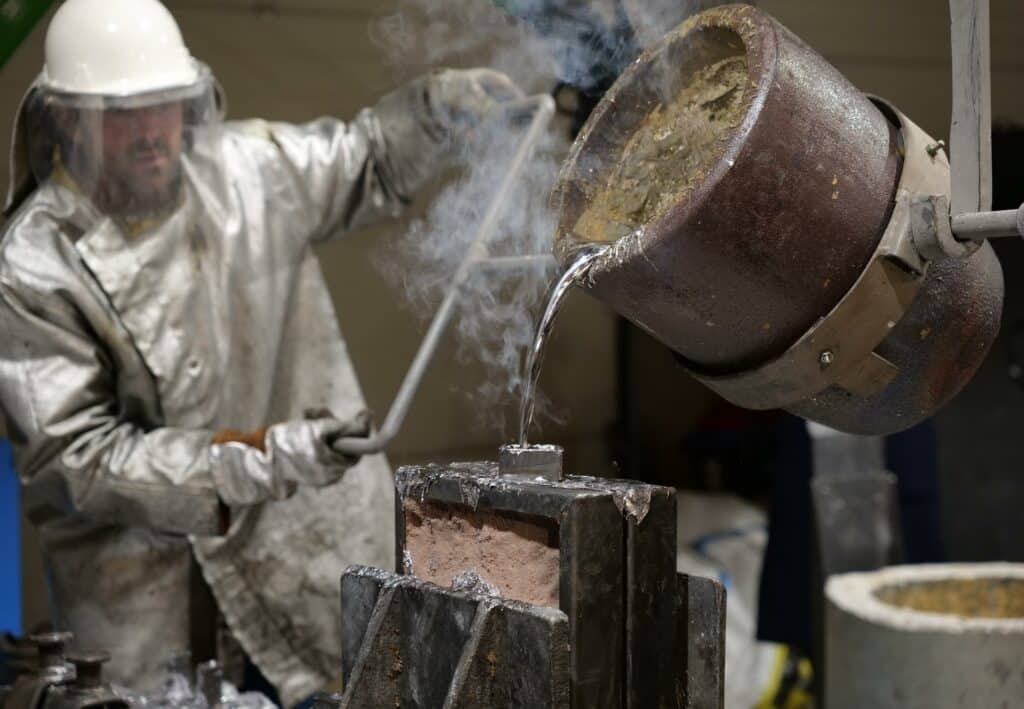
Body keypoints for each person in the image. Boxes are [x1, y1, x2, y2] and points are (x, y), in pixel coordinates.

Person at [0, 0, 524, 703]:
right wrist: (263, 456)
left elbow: (365, 158)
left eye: (169, 106)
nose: (155, 134)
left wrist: (435, 111)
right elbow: (80, 459)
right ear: (67, 119)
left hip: (302, 561)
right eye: (125, 115)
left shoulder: (248, 171)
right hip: (145, 613)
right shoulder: (33, 263)